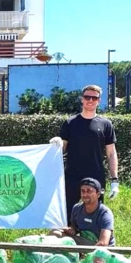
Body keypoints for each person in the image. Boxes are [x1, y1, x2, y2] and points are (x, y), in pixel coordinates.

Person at [50, 84, 119, 220]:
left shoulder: (106, 124)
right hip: (72, 177)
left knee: (94, 216)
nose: (90, 100)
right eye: (87, 97)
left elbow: (111, 154)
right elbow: (62, 149)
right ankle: (69, 239)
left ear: (99, 101)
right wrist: (55, 145)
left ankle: (93, 240)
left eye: (94, 98)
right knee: (69, 215)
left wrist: (114, 180)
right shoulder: (70, 123)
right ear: (82, 99)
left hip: (96, 176)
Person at [58, 177, 115, 246]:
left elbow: (103, 243)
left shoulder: (104, 213)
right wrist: (71, 230)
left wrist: (90, 255)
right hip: (83, 244)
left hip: (103, 250)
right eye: (83, 191)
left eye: (89, 191)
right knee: (56, 233)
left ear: (98, 194)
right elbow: (74, 227)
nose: (85, 195)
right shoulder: (76, 208)